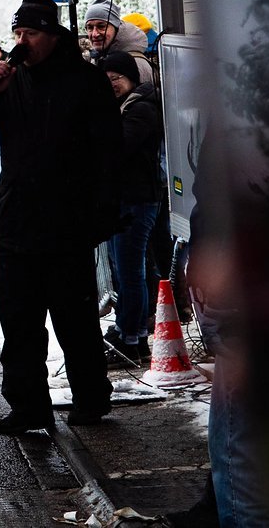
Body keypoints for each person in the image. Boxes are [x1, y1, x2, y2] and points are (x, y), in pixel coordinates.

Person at [0, 0, 120, 434]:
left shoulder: (84, 81)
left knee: (75, 320)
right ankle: (27, 406)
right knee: (19, 323)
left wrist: (103, 212)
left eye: (30, 33)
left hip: (68, 222)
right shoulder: (10, 80)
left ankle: (91, 399)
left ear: (52, 35)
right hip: (17, 221)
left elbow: (109, 151)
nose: (22, 41)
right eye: (17, 33)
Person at [100, 51, 163, 367]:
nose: (111, 84)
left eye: (116, 79)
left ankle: (132, 338)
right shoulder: (123, 108)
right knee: (125, 271)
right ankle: (132, 335)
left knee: (130, 270)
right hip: (122, 200)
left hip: (137, 200)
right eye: (106, 80)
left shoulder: (141, 109)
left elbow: (118, 147)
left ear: (131, 79)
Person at [84, 0, 155, 86]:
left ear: (116, 28)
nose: (95, 34)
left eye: (101, 26)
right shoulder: (101, 57)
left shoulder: (135, 63)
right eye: (90, 27)